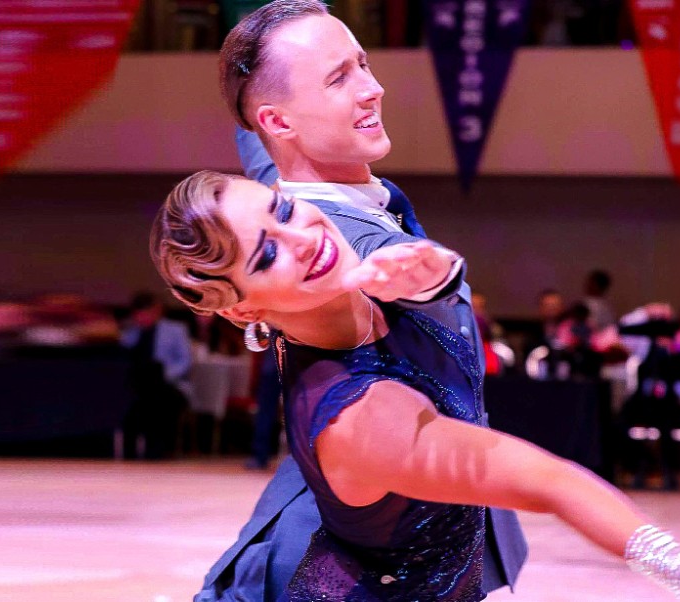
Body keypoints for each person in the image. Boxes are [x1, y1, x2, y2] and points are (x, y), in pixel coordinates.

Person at [154, 171, 680, 602]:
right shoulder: (361, 417)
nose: (301, 234)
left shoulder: (353, 272)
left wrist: (437, 273)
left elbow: (298, 141)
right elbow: (548, 482)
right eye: (267, 253)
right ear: (243, 310)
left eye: (282, 207)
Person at [204, 1, 526, 599]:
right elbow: (408, 278)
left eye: (363, 64)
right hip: (352, 567)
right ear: (278, 121)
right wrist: (431, 275)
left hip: (398, 525)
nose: (373, 89)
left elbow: (257, 140)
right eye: (338, 78)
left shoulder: (286, 185)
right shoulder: (334, 246)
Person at [120, 292, 193, 459]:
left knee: (160, 399)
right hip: (138, 386)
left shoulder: (175, 330)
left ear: (157, 311)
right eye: (139, 314)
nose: (143, 317)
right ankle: (128, 452)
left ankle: (158, 450)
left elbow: (185, 361)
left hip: (169, 384)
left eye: (147, 313)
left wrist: (163, 376)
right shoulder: (130, 332)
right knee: (130, 400)